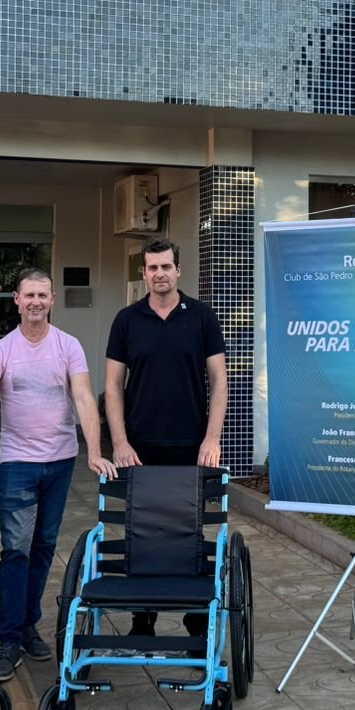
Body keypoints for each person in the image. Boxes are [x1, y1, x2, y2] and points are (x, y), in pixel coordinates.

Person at [0, 269, 108, 683]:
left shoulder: (68, 346)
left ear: (52, 300)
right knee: (16, 550)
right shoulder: (2, 350)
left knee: (44, 546)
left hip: (61, 461)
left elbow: (84, 397)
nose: (35, 302)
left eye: (42, 295)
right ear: (16, 299)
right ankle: (10, 639)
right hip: (17, 464)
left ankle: (29, 625)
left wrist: (95, 451)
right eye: (28, 295)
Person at [102, 239, 227, 637]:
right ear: (144, 273)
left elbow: (219, 381)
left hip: (191, 444)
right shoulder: (126, 320)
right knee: (142, 530)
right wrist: (120, 443)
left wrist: (212, 438)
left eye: (166, 267)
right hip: (140, 446)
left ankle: (195, 618)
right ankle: (143, 619)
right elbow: (113, 386)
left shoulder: (202, 317)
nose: (159, 274)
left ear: (178, 270)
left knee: (190, 529)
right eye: (152, 267)